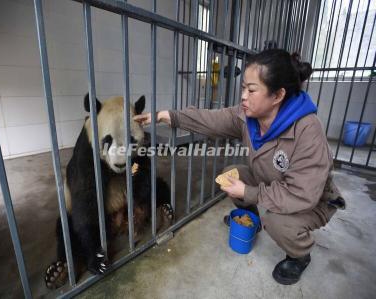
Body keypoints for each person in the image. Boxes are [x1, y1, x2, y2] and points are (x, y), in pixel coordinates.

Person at [133, 49, 345, 285]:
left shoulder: (307, 130)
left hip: (312, 200)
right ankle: (250, 218)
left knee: (277, 222)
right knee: (229, 175)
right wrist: (166, 115)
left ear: (277, 95)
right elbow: (210, 119)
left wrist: (248, 192)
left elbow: (300, 194)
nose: (243, 96)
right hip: (273, 181)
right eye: (243, 87)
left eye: (251, 90)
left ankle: (299, 254)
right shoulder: (247, 115)